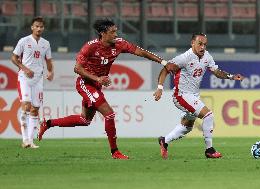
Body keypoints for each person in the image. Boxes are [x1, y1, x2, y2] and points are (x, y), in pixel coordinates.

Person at [37, 19, 178, 159]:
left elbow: (140, 51)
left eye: (116, 31)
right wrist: (97, 78)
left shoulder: (119, 44)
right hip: (85, 84)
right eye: (112, 32)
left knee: (84, 120)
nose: (116, 34)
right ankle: (115, 152)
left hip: (96, 86)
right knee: (109, 114)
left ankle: (48, 123)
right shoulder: (90, 47)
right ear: (103, 33)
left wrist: (163, 61)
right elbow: (77, 68)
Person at [153, 33, 244, 159]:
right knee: (208, 115)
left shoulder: (207, 56)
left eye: (205, 44)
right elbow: (165, 69)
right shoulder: (184, 58)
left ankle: (164, 140)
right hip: (181, 95)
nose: (203, 47)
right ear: (192, 43)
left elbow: (216, 72)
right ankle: (209, 150)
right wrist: (160, 88)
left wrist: (231, 76)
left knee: (187, 127)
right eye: (200, 44)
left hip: (193, 96)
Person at [11, 17, 54, 148]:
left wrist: (51, 72)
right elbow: (14, 58)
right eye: (37, 26)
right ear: (32, 27)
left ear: (43, 28)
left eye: (41, 26)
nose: (39, 28)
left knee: (35, 109)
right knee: (26, 106)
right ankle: (24, 139)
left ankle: (30, 140)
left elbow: (48, 61)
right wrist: (25, 69)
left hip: (38, 79)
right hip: (24, 77)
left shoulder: (46, 43)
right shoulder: (24, 41)